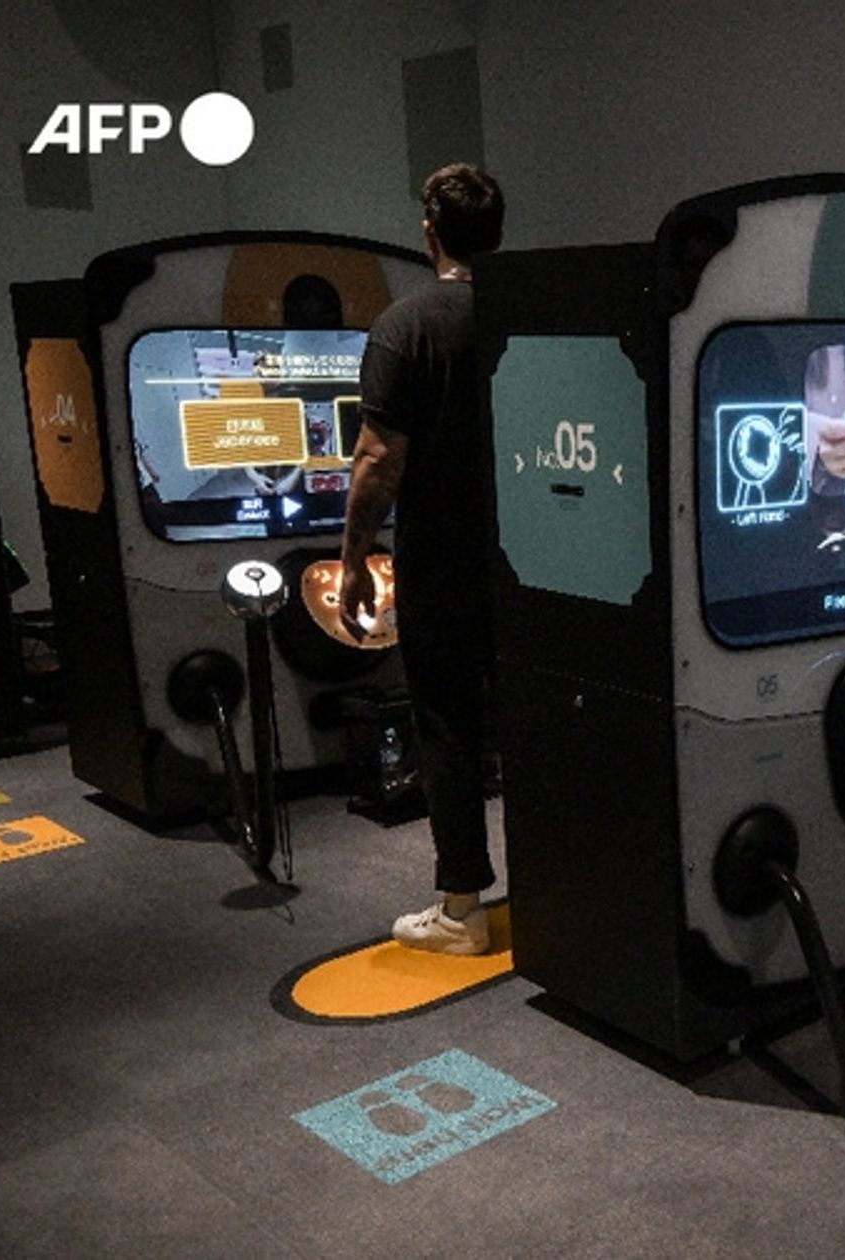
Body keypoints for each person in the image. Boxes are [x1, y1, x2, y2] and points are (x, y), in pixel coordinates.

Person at [338, 162, 506, 955]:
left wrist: (353, 559)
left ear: (429, 231)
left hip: (442, 564)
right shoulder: (529, 316)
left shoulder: (404, 328)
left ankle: (462, 909)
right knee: (537, 721)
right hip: (534, 565)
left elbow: (377, 460)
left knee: (447, 726)